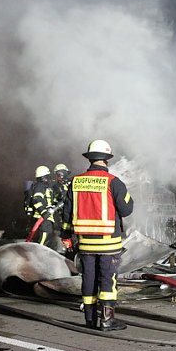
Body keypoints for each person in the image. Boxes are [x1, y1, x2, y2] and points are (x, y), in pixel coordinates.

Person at [61, 140, 134, 330]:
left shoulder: (76, 182)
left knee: (89, 280)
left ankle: (90, 319)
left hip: (85, 244)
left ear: (90, 159)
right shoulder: (113, 182)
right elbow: (126, 209)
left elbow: (67, 213)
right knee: (108, 281)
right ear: (107, 160)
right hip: (109, 244)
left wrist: (66, 235)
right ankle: (107, 320)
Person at [27, 165, 56, 247]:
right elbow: (36, 199)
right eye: (47, 177)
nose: (49, 179)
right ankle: (37, 258)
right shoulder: (40, 186)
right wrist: (44, 212)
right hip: (43, 219)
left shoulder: (44, 186)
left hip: (45, 218)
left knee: (46, 241)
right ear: (43, 177)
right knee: (42, 243)